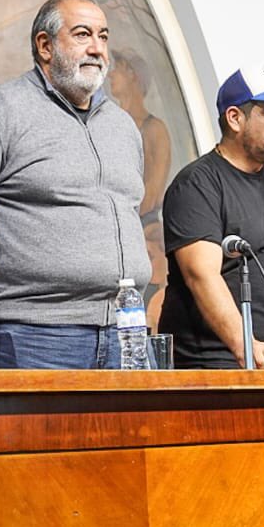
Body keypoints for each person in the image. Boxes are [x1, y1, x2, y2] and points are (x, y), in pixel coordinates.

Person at [0, 0, 149, 368]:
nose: (97, 49)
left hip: (126, 331)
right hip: (34, 333)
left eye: (103, 36)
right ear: (45, 46)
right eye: (82, 35)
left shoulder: (122, 125)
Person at [157, 66, 264, 369]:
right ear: (235, 118)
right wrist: (242, 341)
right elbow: (201, 274)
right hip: (217, 363)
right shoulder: (197, 184)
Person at [108, 48, 173, 325]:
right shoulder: (108, 125)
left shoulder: (153, 129)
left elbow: (153, 191)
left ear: (133, 76)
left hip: (140, 230)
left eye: (118, 69)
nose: (111, 75)